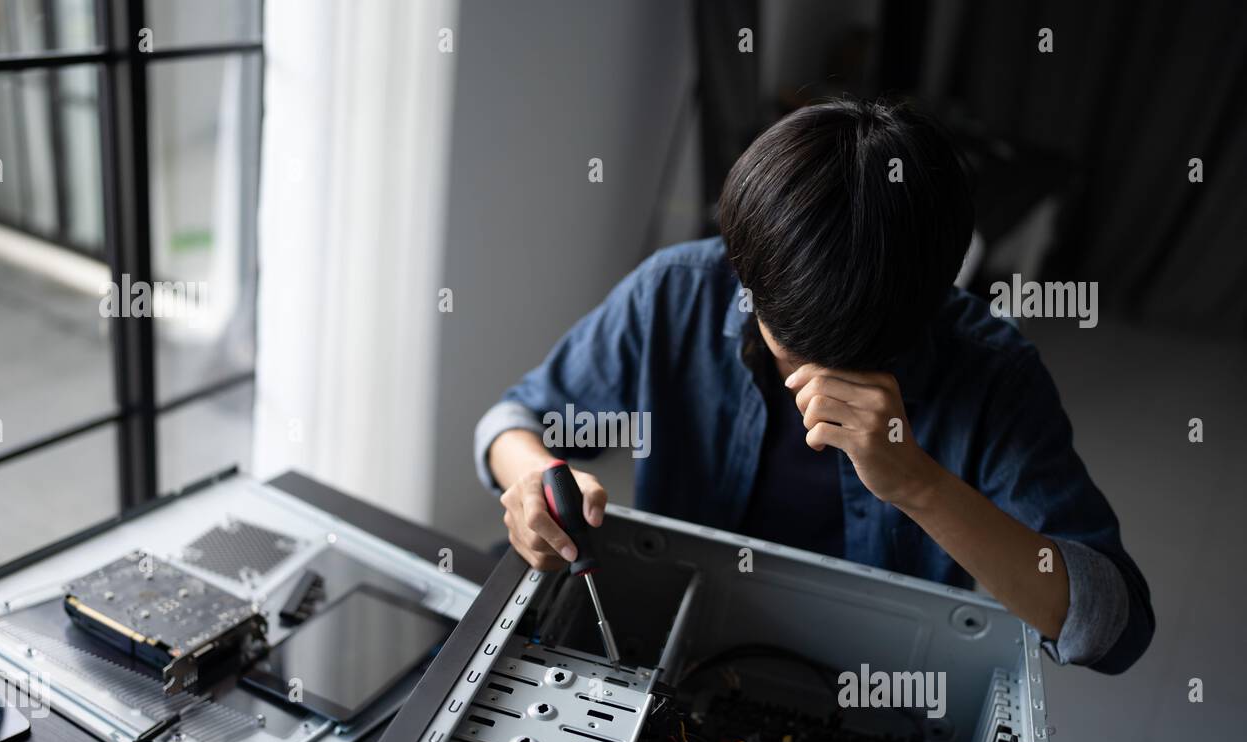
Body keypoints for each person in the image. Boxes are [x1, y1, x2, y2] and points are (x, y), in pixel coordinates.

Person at [473, 97, 1153, 674]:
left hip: (873, 683)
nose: (808, 381)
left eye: (854, 355)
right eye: (788, 341)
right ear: (745, 271)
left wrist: (919, 484)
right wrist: (533, 476)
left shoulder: (991, 371)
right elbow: (512, 420)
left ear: (935, 302)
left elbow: (1111, 628)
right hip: (675, 651)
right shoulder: (677, 292)